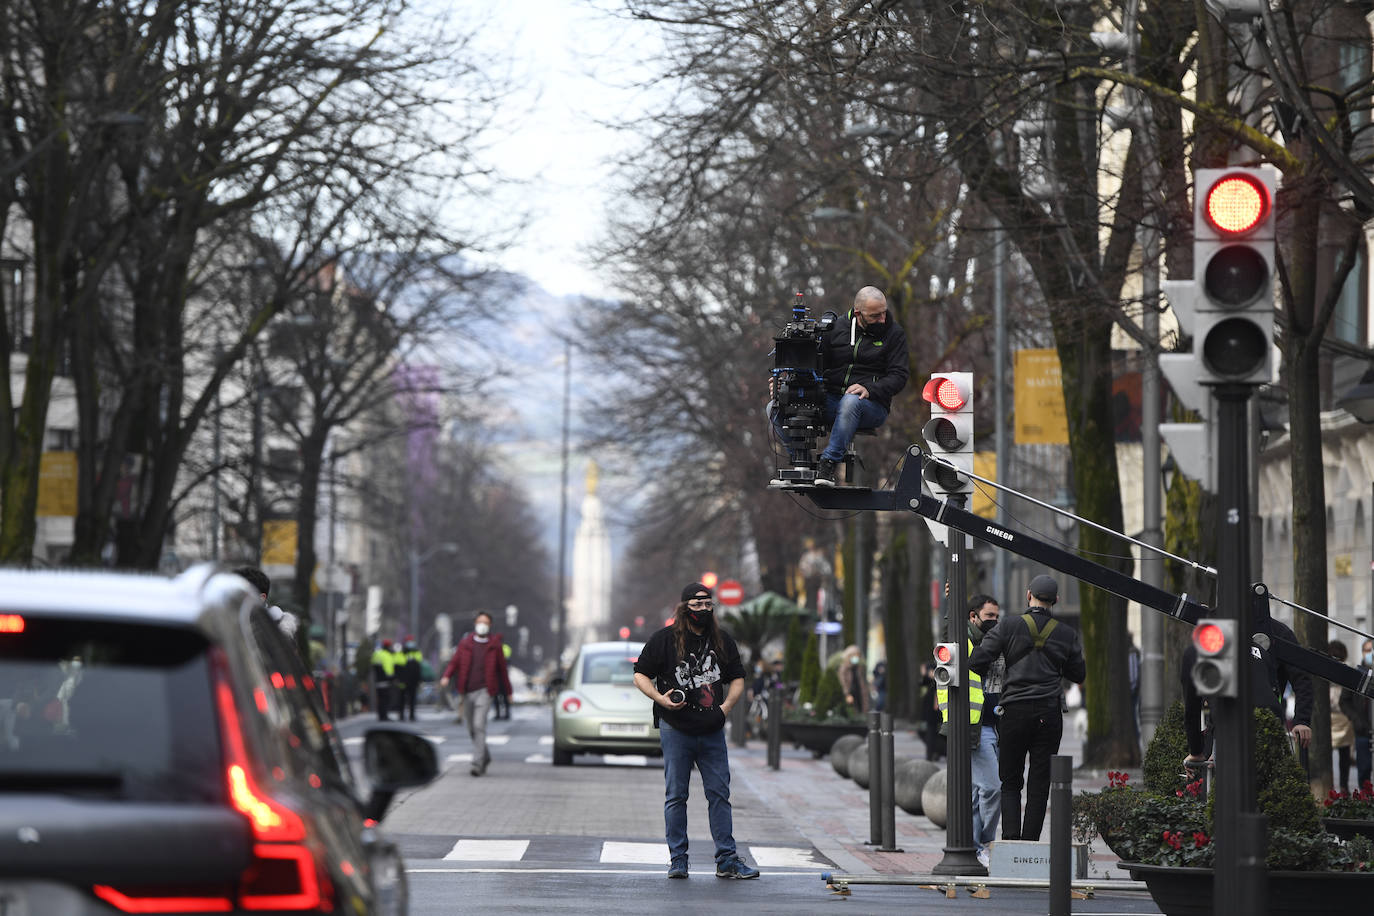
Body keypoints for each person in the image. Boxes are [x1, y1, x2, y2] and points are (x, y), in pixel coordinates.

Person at [633, 583, 760, 880]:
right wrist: (660, 698)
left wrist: (725, 708)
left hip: (712, 729)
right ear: (684, 608)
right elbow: (640, 673)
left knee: (719, 794)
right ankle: (678, 859)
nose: (703, 610)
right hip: (675, 728)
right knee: (676, 795)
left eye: (708, 605)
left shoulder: (722, 641)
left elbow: (738, 678)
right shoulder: (664, 640)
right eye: (696, 604)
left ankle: (726, 860)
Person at [968, 574, 1086, 842]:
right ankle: (1030, 844)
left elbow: (976, 662)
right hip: (1049, 713)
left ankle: (1010, 842)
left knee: (1010, 782)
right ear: (1056, 600)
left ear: (1028, 594)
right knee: (1040, 783)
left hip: (1014, 712)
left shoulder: (1008, 626)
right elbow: (1078, 674)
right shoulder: (1067, 633)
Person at [770, 286, 910, 486]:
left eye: (884, 312)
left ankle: (827, 465)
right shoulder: (835, 328)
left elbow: (899, 376)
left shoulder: (894, 334)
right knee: (775, 407)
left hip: (871, 405)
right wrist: (785, 384)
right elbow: (817, 365)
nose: (883, 319)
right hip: (831, 400)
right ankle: (802, 462)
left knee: (851, 401)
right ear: (858, 313)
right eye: (875, 316)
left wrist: (870, 389)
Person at [1180, 611, 1313, 771]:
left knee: (1227, 782)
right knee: (1268, 778)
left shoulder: (1196, 652)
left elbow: (1192, 711)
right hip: (1269, 720)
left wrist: (1196, 752)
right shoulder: (1257, 648)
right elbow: (1267, 687)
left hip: (1233, 723)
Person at [439, 611, 512, 777]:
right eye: (480, 622)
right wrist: (446, 676)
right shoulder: (465, 644)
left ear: (490, 625)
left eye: (486, 622)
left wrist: (508, 692)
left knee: (479, 725)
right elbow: (454, 662)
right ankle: (485, 756)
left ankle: (477, 764)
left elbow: (502, 671)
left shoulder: (495, 646)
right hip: (467, 691)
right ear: (475, 624)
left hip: (486, 691)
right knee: (472, 728)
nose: (482, 625)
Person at [235, 566, 299, 641]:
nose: (234, 598)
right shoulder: (230, 621)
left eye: (241, 594)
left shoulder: (280, 629)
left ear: (261, 598)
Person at [1347, 638, 1374, 790]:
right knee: (1364, 769)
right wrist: (1356, 719)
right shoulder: (1358, 673)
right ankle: (1365, 801)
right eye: (1367, 650)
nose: (1370, 654)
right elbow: (1345, 700)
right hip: (1363, 731)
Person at [837, 645, 869, 714]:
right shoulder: (844, 668)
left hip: (859, 694)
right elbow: (842, 682)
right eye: (855, 655)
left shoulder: (859, 667)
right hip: (850, 694)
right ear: (849, 656)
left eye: (858, 655)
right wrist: (847, 694)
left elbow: (862, 682)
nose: (857, 657)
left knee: (861, 711)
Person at [371, 638, 397, 722]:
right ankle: (384, 716)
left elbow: (373, 665)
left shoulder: (377, 654)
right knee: (385, 699)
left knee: (380, 699)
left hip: (378, 681)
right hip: (385, 681)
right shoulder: (387, 656)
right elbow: (389, 670)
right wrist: (392, 679)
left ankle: (381, 715)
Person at [398, 636, 423, 722]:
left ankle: (411, 715)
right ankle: (402, 715)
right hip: (405, 681)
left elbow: (419, 668)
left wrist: (419, 679)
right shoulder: (402, 653)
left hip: (411, 681)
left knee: (411, 699)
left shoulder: (416, 653)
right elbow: (398, 667)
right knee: (403, 699)